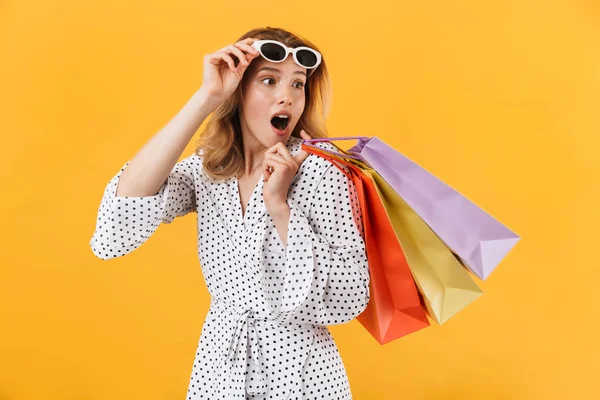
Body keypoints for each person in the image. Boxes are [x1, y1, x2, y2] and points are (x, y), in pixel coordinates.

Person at [89, 26, 370, 399]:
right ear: (238, 92)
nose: (286, 97)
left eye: (298, 84)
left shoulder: (321, 171)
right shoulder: (211, 169)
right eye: (269, 80)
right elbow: (117, 227)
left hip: (300, 374)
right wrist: (206, 97)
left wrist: (280, 207)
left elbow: (351, 294)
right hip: (220, 367)